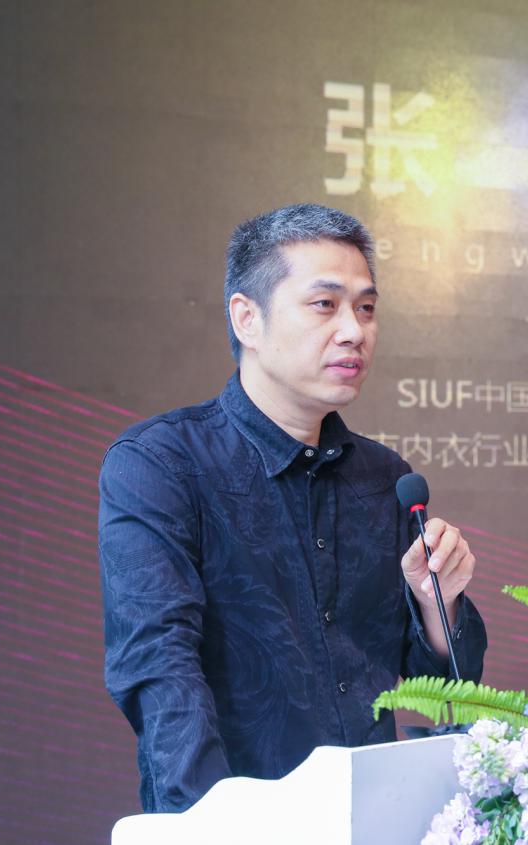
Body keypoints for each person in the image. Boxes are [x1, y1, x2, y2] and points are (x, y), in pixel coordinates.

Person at [98, 203, 487, 812]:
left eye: (366, 308)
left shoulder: (385, 478)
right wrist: (215, 822)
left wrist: (439, 606)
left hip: (375, 816)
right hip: (235, 818)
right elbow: (159, 666)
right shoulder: (161, 465)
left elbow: (444, 690)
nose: (354, 331)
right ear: (247, 319)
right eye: (324, 304)